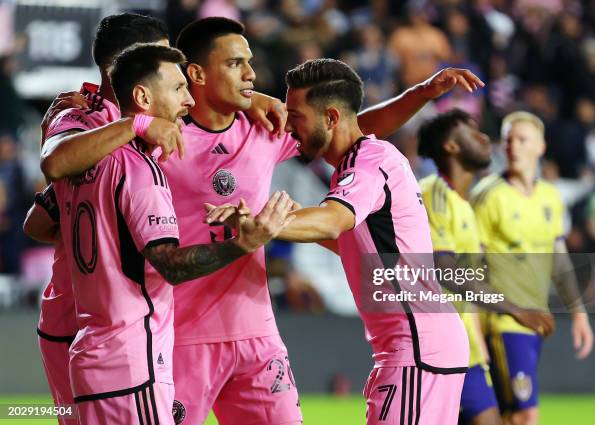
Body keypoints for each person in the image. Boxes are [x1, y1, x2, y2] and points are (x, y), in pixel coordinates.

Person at [39, 16, 484, 425]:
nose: (251, 73)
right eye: (236, 63)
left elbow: (341, 127)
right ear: (196, 75)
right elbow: (62, 176)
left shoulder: (265, 130)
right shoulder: (155, 139)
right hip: (181, 340)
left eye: (249, 62)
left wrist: (420, 95)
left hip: (257, 338)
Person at [39, 43, 293, 425]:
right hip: (131, 364)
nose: (189, 100)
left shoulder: (90, 161)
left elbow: (36, 223)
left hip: (94, 352)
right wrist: (245, 242)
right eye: (178, 89)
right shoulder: (139, 168)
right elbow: (171, 266)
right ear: (142, 96)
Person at [209, 57, 471, 425]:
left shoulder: (368, 162)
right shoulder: (361, 159)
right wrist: (421, 93)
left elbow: (333, 222)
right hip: (418, 345)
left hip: (416, 345)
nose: (288, 125)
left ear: (330, 119)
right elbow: (355, 246)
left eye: (296, 115)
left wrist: (261, 222)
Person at [22, 14, 172, 424]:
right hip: (84, 319)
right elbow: (56, 161)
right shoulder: (79, 113)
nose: (174, 70)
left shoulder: (162, 114)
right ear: (121, 65)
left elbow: (38, 221)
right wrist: (136, 123)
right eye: (160, 57)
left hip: (128, 320)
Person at [417, 109, 552, 425]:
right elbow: (445, 268)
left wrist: (478, 340)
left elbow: (469, 283)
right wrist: (514, 309)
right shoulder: (433, 192)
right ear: (451, 145)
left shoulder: (464, 205)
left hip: (465, 348)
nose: (485, 138)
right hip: (433, 347)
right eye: (472, 131)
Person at [471, 111, 595, 425]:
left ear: (541, 146)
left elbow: (559, 257)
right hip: (503, 321)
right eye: (508, 139)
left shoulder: (550, 198)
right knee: (527, 414)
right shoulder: (488, 196)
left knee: (506, 415)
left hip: (535, 322)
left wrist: (579, 314)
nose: (513, 146)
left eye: (522, 139)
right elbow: (469, 266)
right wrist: (471, 329)